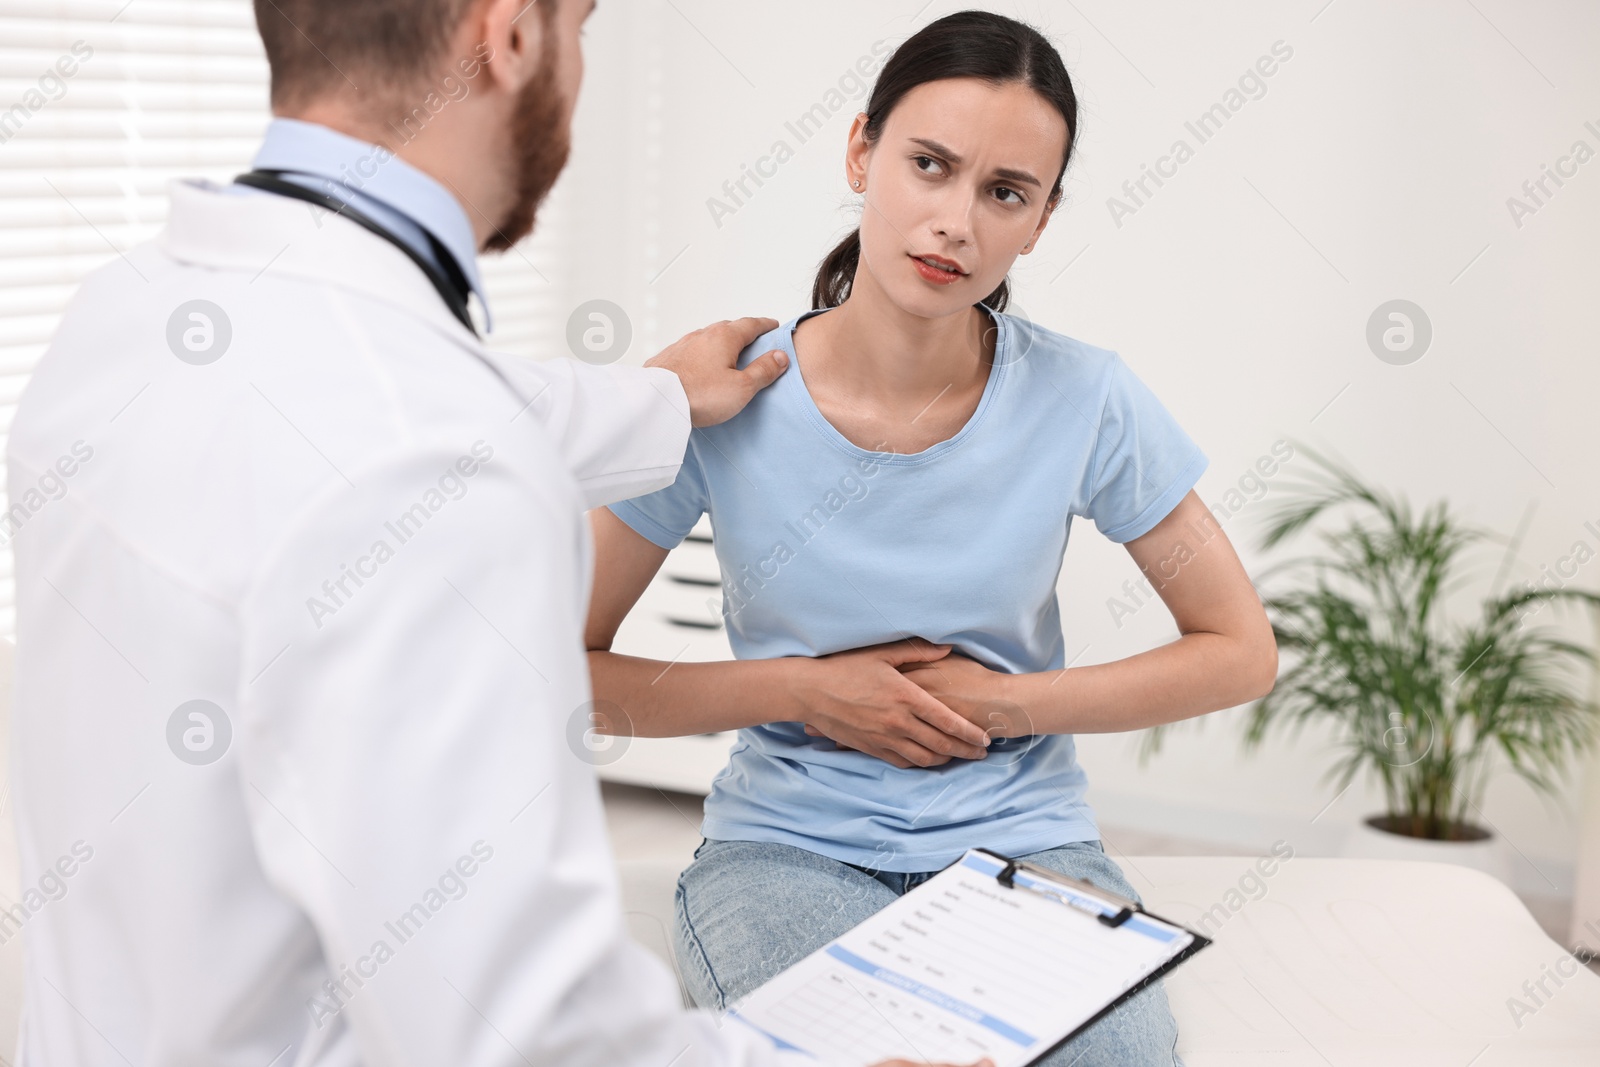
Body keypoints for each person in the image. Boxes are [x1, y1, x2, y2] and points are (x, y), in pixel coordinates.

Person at [5, 1, 986, 1064]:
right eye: (581, 25)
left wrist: (653, 397)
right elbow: (528, 1031)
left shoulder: (130, 311)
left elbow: (353, 391)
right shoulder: (436, 462)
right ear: (511, 34)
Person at [586, 11, 1279, 1067]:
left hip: (1023, 843)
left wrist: (1006, 702)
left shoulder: (1085, 398)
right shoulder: (723, 396)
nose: (956, 221)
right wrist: (802, 690)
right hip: (785, 848)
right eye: (928, 165)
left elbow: (1239, 649)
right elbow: (565, 666)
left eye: (1005, 192)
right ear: (862, 151)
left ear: (1040, 220)